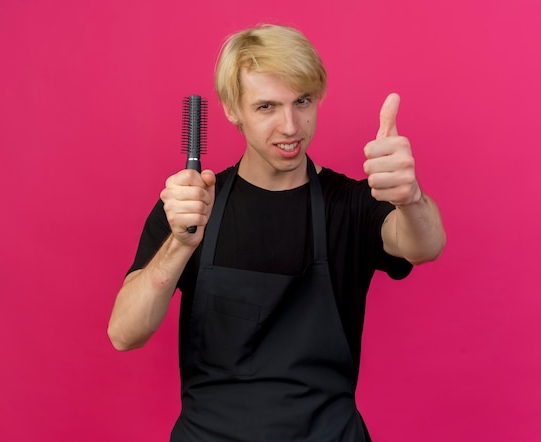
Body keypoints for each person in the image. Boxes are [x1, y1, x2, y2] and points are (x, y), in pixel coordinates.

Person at [108, 24, 446, 441]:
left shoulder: (351, 204)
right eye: (266, 107)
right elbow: (124, 334)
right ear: (233, 110)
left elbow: (424, 246)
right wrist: (180, 242)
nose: (290, 126)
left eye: (302, 101)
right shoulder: (190, 206)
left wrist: (410, 198)